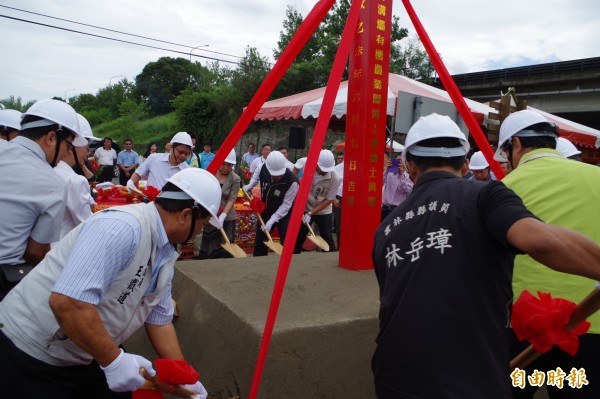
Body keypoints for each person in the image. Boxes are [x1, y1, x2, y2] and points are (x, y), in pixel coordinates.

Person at [371, 113, 600, 399]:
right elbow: (539, 240)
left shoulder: (385, 230)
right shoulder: (485, 195)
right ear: (465, 163)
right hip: (471, 377)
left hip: (394, 374)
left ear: (410, 166)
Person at [0, 168, 219, 398]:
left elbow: (160, 321)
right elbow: (67, 302)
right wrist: (114, 360)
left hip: (87, 349)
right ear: (185, 215)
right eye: (202, 224)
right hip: (32, 351)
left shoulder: (165, 252)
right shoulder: (122, 228)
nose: (198, 232)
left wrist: (185, 378)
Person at [494, 109, 600, 399]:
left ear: (515, 145)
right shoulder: (597, 177)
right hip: (591, 323)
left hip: (523, 328)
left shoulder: (502, 189)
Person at [0, 99, 86, 299]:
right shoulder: (53, 184)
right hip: (6, 278)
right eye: (68, 144)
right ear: (50, 138)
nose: (66, 152)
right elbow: (36, 253)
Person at [244, 151, 303, 256]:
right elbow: (255, 178)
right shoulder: (263, 167)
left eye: (280, 174)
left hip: (285, 214)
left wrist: (272, 220)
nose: (278, 177)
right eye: (275, 174)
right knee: (260, 242)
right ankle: (258, 263)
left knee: (287, 241)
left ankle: (285, 264)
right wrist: (249, 186)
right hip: (266, 211)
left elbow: (286, 205)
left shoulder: (292, 182)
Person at [54, 114, 95, 240]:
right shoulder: (74, 180)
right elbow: (87, 225)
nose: (87, 153)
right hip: (66, 248)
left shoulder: (53, 170)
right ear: (72, 147)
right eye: (86, 148)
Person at [198, 149, 241, 259]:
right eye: (223, 164)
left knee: (224, 245)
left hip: (227, 217)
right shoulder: (210, 173)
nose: (226, 167)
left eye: (229, 165)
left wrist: (223, 215)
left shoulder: (235, 179)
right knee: (210, 243)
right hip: (210, 214)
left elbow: (232, 199)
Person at [298, 149, 340, 251]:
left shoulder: (334, 177)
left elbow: (329, 199)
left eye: (326, 170)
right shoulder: (305, 166)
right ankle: (294, 256)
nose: (324, 172)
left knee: (327, 238)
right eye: (322, 169)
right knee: (298, 237)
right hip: (304, 207)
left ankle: (328, 259)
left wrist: (311, 213)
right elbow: (295, 176)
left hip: (323, 210)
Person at [127, 132, 192, 191]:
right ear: (171, 147)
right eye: (180, 152)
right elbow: (139, 173)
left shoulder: (187, 171)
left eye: (186, 153)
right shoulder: (154, 158)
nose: (183, 156)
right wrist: (131, 182)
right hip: (149, 202)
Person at [381, 152, 413, 221]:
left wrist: (401, 175)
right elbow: (380, 183)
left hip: (398, 210)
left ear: (405, 162)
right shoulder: (389, 173)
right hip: (385, 209)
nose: (399, 162)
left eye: (401, 160)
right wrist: (386, 170)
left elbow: (406, 189)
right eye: (397, 160)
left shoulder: (408, 176)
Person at [333, 153, 344, 248]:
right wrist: (334, 198)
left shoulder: (359, 165)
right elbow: (333, 184)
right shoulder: (337, 168)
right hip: (339, 196)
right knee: (339, 222)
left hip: (355, 197)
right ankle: (340, 246)